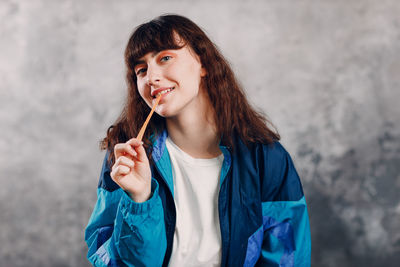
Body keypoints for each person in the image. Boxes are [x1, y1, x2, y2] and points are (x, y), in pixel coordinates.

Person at [84, 14, 311, 267]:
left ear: (203, 63)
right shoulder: (127, 158)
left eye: (165, 58)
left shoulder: (266, 158)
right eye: (141, 70)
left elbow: (287, 257)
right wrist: (139, 200)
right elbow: (119, 263)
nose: (151, 77)